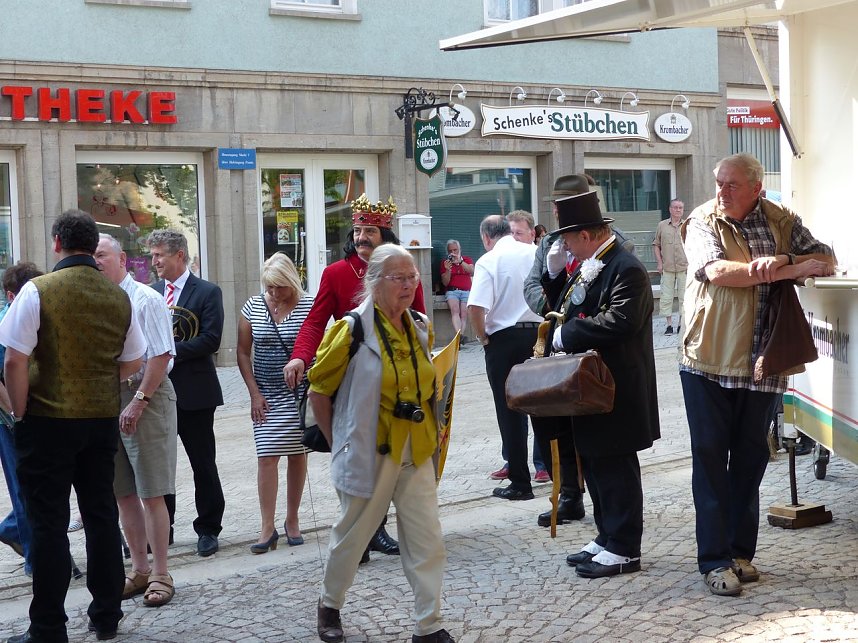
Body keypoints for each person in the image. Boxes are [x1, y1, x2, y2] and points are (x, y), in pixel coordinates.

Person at [679, 153, 834, 596]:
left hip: (762, 362)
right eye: (718, 182)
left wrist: (788, 256)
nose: (721, 191)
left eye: (731, 184)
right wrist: (792, 269)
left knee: (749, 461)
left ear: (756, 190)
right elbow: (718, 273)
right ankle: (712, 559)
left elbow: (825, 257)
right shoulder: (702, 221)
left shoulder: (781, 218)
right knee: (710, 461)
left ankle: (739, 551)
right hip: (708, 360)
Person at [0, 209, 146, 643]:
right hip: (100, 423)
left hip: (46, 422)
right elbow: (134, 360)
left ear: (57, 242)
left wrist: (20, 412)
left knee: (48, 525)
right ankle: (106, 616)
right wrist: (96, 382)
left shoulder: (37, 290)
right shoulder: (117, 295)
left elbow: (13, 358)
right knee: (101, 518)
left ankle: (48, 626)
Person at [310, 244, 454, 643]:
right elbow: (318, 391)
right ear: (374, 282)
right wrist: (338, 442)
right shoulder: (351, 329)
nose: (409, 285)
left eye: (413, 277)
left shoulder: (421, 325)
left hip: (417, 449)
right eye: (399, 278)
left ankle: (428, 625)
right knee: (352, 537)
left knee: (428, 540)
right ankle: (329, 604)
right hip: (370, 451)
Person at [284, 193, 425, 561]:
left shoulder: (403, 270)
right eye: (358, 230)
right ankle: (357, 534)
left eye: (370, 231)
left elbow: (421, 323)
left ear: (385, 235)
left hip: (395, 380)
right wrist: (301, 357)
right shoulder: (336, 273)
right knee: (353, 455)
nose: (362, 237)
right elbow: (315, 322)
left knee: (386, 456)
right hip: (350, 380)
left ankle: (374, 529)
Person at [543, 191, 660, 579]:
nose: (565, 246)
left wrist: (568, 334)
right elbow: (564, 302)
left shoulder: (626, 267)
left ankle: (625, 546)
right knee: (593, 460)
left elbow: (620, 322)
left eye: (569, 239)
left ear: (588, 235)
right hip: (590, 387)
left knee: (615, 465)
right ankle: (607, 534)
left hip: (617, 386)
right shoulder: (591, 263)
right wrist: (555, 273)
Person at [94, 234, 178, 608]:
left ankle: (161, 572)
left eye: (102, 255)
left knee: (151, 491)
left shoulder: (146, 299)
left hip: (148, 394)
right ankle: (140, 569)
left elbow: (161, 356)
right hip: (111, 400)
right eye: (91, 255)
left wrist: (139, 401)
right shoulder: (97, 300)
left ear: (122, 258)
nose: (96, 262)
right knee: (122, 492)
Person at [148, 229, 226, 558]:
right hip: (157, 392)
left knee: (202, 463)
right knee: (160, 467)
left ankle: (208, 528)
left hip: (195, 391)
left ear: (180, 255)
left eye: (159, 255)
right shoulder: (150, 292)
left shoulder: (207, 291)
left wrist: (168, 352)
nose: (154, 262)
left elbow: (211, 340)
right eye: (152, 256)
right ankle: (162, 530)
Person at [523, 175, 593, 528]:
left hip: (594, 348)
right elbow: (532, 286)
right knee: (556, 423)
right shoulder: (550, 242)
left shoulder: (609, 241)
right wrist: (556, 309)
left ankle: (605, 496)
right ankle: (568, 495)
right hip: (557, 345)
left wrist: (578, 314)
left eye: (562, 205)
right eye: (554, 206)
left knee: (595, 427)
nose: (555, 211)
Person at [237, 252, 314, 553]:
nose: (273, 293)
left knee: (297, 454)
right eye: (268, 287)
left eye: (279, 287)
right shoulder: (254, 306)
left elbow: (320, 347)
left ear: (291, 281)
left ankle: (292, 519)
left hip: (299, 393)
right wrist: (254, 393)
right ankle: (266, 526)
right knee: (266, 456)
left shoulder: (309, 305)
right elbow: (243, 352)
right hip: (266, 395)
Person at [467, 215, 543, 501]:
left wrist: (482, 336)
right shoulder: (535, 252)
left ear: (487, 237)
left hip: (504, 340)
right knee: (545, 405)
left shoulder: (489, 260)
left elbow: (476, 307)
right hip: (539, 334)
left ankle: (521, 482)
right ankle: (564, 481)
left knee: (509, 410)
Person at [0, 261, 42, 578]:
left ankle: (13, 530)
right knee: (25, 487)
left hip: (32, 415)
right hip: (11, 419)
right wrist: (17, 416)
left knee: (35, 486)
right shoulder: (6, 324)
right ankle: (34, 557)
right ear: (12, 295)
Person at [502, 210, 549, 484]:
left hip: (537, 333)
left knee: (538, 401)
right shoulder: (500, 259)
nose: (514, 238)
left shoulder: (539, 257)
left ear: (532, 234)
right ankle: (512, 459)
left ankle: (541, 463)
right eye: (510, 233)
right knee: (510, 402)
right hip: (508, 334)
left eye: (519, 233)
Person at [653, 199, 687, 335]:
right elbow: (656, 245)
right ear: (670, 209)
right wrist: (659, 263)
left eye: (681, 208)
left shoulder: (688, 225)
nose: (678, 210)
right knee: (666, 297)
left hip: (684, 267)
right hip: (667, 268)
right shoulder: (662, 225)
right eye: (676, 207)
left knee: (684, 297)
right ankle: (669, 325)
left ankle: (681, 324)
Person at [439, 239, 473, 343]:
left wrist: (460, 261)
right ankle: (460, 337)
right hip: (452, 291)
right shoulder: (445, 263)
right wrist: (448, 270)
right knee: (455, 310)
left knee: (464, 313)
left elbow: (471, 270)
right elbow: (445, 282)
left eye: (455, 250)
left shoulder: (467, 260)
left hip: (466, 291)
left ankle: (459, 337)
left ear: (459, 250)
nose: (453, 253)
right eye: (451, 251)